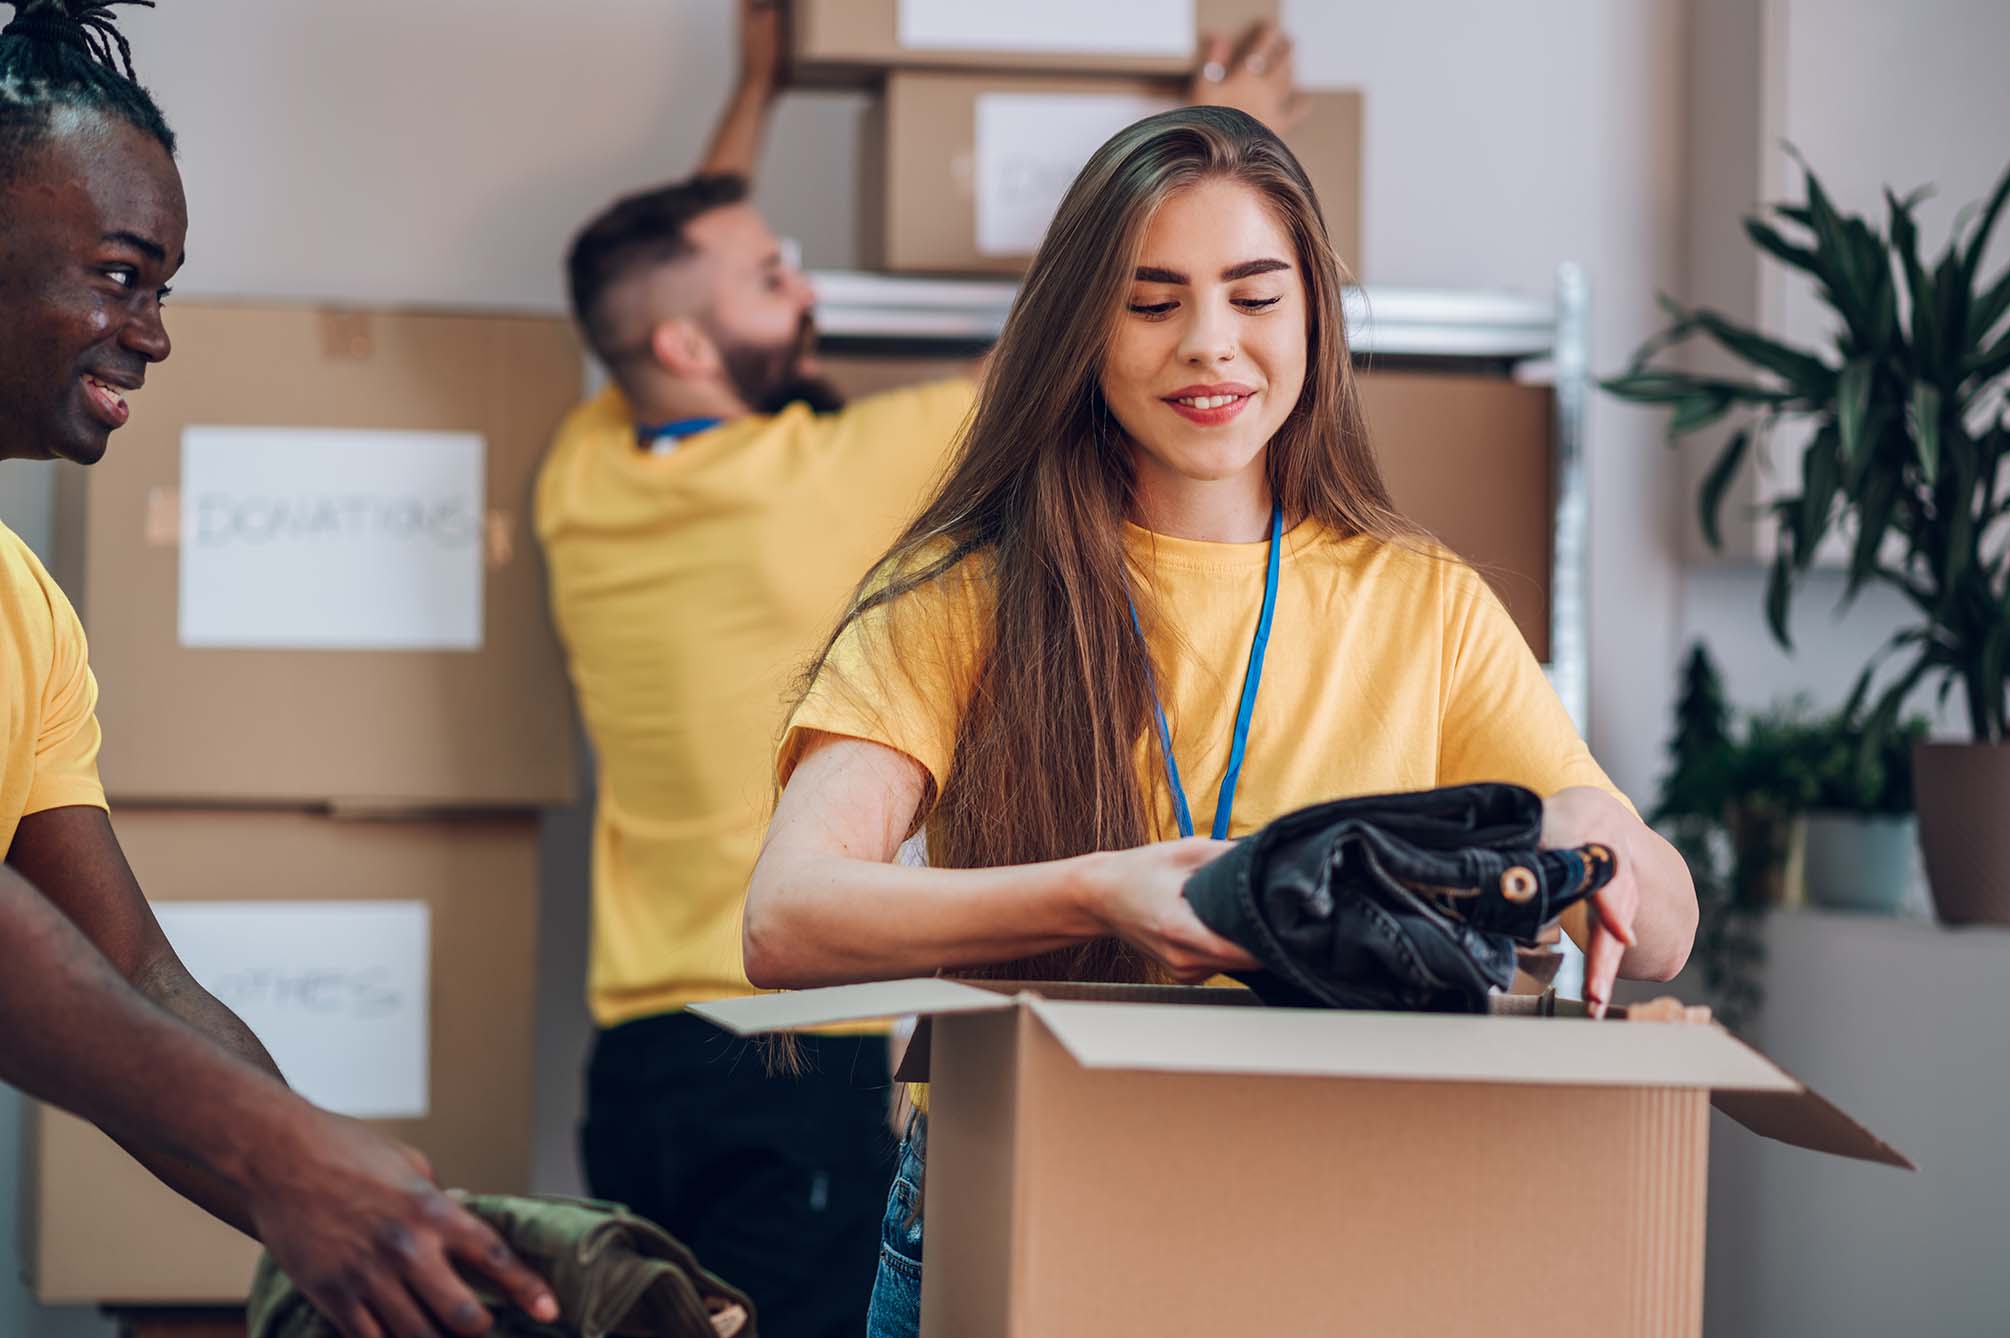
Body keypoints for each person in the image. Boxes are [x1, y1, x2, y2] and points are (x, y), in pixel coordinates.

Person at [741, 106, 1700, 1336]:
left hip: (1339, 1213)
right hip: (1029, 1191)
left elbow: (1662, 932)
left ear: (1314, 317)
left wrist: (1594, 834)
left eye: (1255, 297)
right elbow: (786, 917)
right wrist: (1096, 892)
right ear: (1081, 330)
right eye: (1151, 304)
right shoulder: (964, 598)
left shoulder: (1426, 604)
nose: (1211, 346)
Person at [536, 3, 1307, 1332]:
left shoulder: (583, 471)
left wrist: (752, 92)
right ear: (684, 345)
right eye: (775, 278)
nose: (808, 286)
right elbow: (1104, 350)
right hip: (801, 1045)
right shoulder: (831, 479)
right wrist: (1241, 171)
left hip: (641, 1058)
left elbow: (672, 257)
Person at [0, 5, 561, 1335]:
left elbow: (133, 969)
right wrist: (281, 1155)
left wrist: (386, 1210)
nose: (151, 332)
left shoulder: (28, 615)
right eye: (121, 274)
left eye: (163, 288)